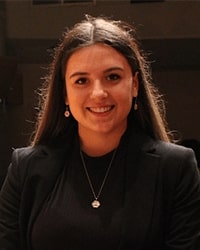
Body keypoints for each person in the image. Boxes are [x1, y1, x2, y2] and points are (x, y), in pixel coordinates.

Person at [0, 15, 200, 250]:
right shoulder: (25, 168)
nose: (98, 93)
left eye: (112, 77)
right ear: (64, 93)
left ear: (135, 85)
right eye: (81, 81)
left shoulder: (176, 168)